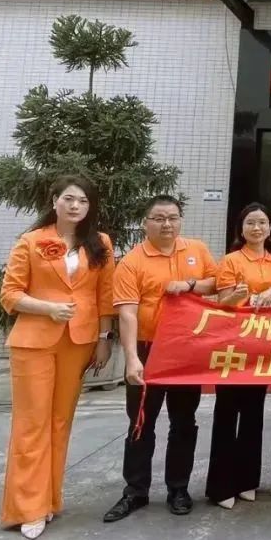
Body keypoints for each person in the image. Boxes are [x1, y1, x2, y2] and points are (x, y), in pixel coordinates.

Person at [0, 175, 115, 540]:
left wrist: (104, 339)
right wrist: (47, 308)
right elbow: (10, 294)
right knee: (31, 423)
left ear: (90, 206)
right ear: (54, 201)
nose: (75, 206)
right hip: (33, 341)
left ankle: (49, 499)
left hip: (79, 341)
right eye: (69, 199)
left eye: (83, 200)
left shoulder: (100, 243)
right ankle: (28, 508)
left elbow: (105, 296)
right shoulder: (31, 241)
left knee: (60, 421)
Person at [104, 195, 218, 523]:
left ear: (180, 220)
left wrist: (189, 285)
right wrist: (131, 359)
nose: (166, 224)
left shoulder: (196, 250)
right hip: (147, 350)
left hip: (186, 351)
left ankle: (178, 488)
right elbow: (127, 313)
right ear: (145, 223)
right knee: (141, 422)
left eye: (172, 217)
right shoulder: (132, 262)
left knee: (184, 422)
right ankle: (135, 491)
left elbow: (216, 283)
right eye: (158, 218)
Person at [204, 202, 271, 510]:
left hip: (262, 348)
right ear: (241, 228)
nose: (256, 228)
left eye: (262, 222)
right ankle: (221, 486)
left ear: (270, 228)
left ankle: (247, 480)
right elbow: (223, 302)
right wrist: (241, 297)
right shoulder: (231, 260)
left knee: (253, 413)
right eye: (250, 222)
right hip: (233, 347)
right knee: (227, 413)